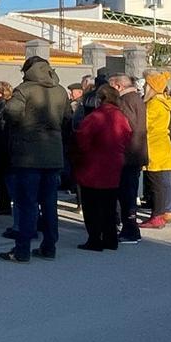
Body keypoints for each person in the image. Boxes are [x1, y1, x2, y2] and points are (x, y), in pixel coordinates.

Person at [0, 56, 69, 263]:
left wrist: (21, 124)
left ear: (27, 70)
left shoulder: (24, 89)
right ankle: (49, 247)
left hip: (27, 155)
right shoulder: (61, 90)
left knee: (27, 203)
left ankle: (21, 250)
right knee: (49, 204)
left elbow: (11, 112)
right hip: (53, 154)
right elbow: (68, 117)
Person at [72, 85, 131, 251]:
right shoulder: (121, 116)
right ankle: (111, 239)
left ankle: (95, 239)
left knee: (92, 206)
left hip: (93, 166)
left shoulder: (95, 117)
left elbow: (82, 141)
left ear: (101, 99)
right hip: (114, 164)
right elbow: (127, 136)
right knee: (109, 205)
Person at [110, 74, 147, 244]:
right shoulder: (137, 98)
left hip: (128, 154)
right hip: (136, 153)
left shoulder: (126, 101)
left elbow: (126, 128)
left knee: (126, 194)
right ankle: (129, 228)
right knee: (128, 193)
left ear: (118, 87)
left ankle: (130, 229)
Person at [139, 70, 171, 229]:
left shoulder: (154, 103)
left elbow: (146, 124)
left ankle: (157, 215)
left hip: (155, 146)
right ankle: (163, 213)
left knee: (156, 184)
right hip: (162, 146)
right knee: (162, 182)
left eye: (146, 84)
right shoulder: (164, 101)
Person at [0, 81, 14, 216]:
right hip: (2, 146)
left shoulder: (2, 106)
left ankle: (4, 205)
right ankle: (1, 204)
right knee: (1, 179)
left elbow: (2, 126)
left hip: (3, 147)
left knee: (4, 179)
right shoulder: (0, 105)